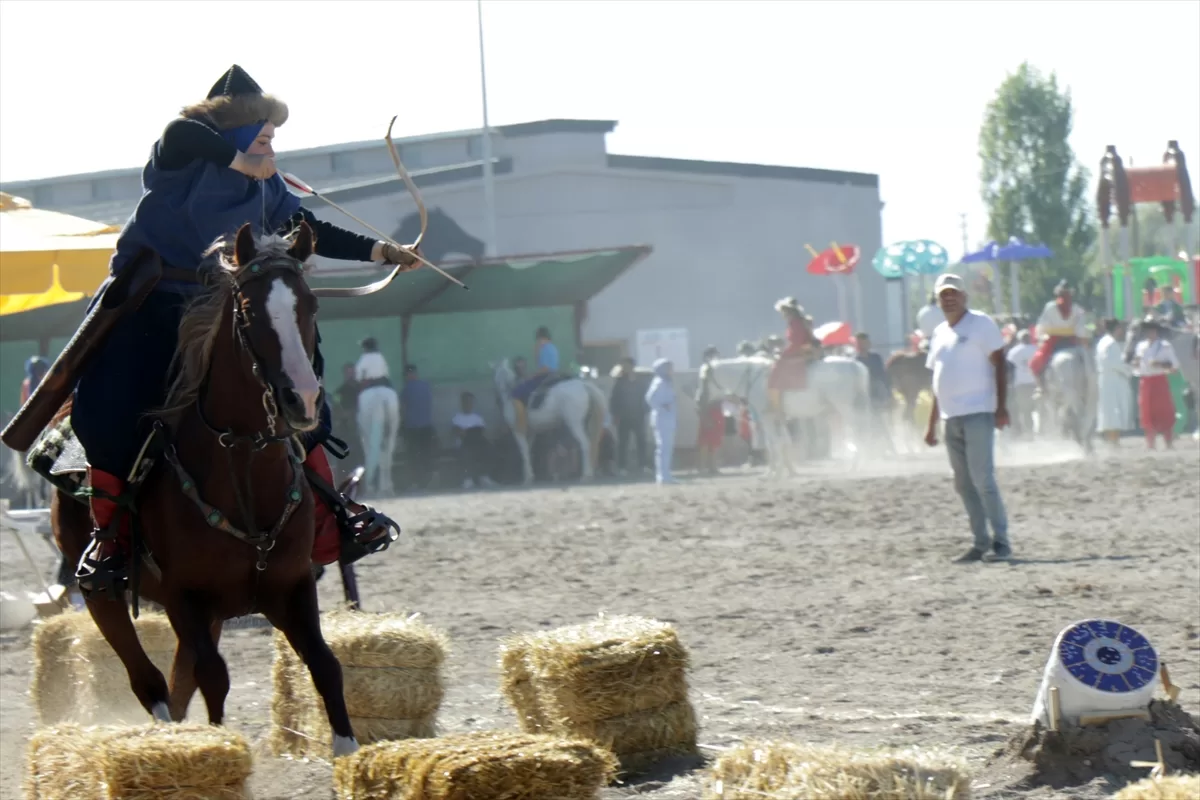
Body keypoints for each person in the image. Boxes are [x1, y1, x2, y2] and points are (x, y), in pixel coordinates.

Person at [71, 65, 421, 595]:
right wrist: (238, 159)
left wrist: (381, 251)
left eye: (272, 131)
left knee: (298, 373)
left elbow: (309, 230)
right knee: (112, 405)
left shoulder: (268, 183)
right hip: (155, 303)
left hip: (224, 301)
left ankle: (332, 514)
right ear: (232, 131)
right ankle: (111, 536)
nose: (271, 138)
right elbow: (179, 132)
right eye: (261, 127)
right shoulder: (181, 159)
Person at [924, 274, 1012, 563]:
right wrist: (931, 422)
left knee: (983, 479)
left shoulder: (981, 324)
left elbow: (999, 364)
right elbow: (938, 379)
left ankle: (1001, 541)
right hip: (951, 417)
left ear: (964, 296)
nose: (948, 299)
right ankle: (979, 541)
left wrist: (1001, 406)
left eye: (953, 293)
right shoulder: (938, 333)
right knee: (963, 483)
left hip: (978, 410)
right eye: (943, 295)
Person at [1030, 280, 1089, 394]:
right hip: (1073, 341)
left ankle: (1041, 387)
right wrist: (1084, 341)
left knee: (1036, 362)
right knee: (1088, 360)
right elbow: (1081, 329)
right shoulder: (1077, 309)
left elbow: (1043, 325)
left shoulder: (1050, 307)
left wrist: (1040, 337)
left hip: (1054, 341)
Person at [1132, 317, 1180, 449]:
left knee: (1164, 410)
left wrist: (1159, 364)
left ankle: (1168, 442)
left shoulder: (1165, 346)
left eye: (1152, 330)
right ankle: (1150, 442)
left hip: (1159, 380)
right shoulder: (1140, 346)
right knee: (1146, 411)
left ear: (1157, 332)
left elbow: (1174, 365)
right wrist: (1135, 364)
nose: (1150, 333)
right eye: (1148, 330)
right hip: (1145, 380)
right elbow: (1136, 365)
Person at [767, 297, 818, 413]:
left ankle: (776, 408)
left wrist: (782, 354)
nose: (783, 315)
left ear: (788, 312)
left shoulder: (795, 323)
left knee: (774, 374)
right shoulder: (800, 321)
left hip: (799, 354)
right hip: (803, 352)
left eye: (783, 312)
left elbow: (796, 343)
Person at [1095, 319, 1134, 446]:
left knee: (1109, 411)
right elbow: (1115, 363)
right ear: (1116, 329)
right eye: (1120, 328)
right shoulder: (1111, 343)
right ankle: (1113, 441)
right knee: (1113, 411)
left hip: (1107, 379)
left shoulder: (1103, 342)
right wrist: (1129, 370)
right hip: (1112, 380)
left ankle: (1112, 440)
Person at [609, 357, 648, 475]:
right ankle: (622, 467)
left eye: (626, 365)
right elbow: (613, 399)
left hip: (638, 416)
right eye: (623, 365)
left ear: (632, 366)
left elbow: (646, 397)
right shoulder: (619, 382)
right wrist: (615, 414)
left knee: (641, 441)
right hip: (623, 417)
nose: (624, 368)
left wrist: (645, 411)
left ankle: (643, 465)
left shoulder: (641, 381)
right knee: (623, 443)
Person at [399, 364, 436, 488]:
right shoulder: (426, 386)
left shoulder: (406, 389)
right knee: (426, 454)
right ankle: (427, 481)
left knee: (413, 456)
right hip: (427, 426)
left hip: (412, 428)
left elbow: (402, 409)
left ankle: (416, 482)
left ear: (407, 375)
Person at [645, 358, 678, 485]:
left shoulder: (666, 382)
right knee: (663, 448)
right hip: (662, 418)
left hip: (667, 419)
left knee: (667, 448)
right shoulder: (659, 382)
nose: (671, 370)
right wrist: (662, 406)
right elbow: (650, 398)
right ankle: (663, 476)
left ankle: (666, 474)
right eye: (669, 368)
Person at [451, 392, 494, 489]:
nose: (468, 404)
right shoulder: (457, 418)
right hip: (463, 445)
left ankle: (484, 477)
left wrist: (468, 432)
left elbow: (482, 432)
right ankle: (467, 479)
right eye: (466, 402)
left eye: (470, 402)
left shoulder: (478, 418)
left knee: (489, 449)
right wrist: (468, 433)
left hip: (478, 444)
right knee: (467, 451)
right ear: (462, 403)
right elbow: (458, 432)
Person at [694, 345, 725, 475]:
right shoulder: (706, 369)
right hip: (708, 406)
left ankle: (713, 466)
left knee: (715, 439)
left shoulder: (717, 370)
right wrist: (703, 411)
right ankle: (702, 467)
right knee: (705, 439)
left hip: (717, 405)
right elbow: (704, 390)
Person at [512, 327, 559, 408]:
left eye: (538, 339)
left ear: (541, 338)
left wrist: (532, 375)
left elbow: (545, 368)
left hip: (545, 376)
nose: (537, 342)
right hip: (553, 374)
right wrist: (537, 352)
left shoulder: (545, 348)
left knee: (517, 391)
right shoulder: (553, 347)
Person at [1005, 330, 1038, 438]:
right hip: (1035, 384)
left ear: (1019, 340)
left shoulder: (1014, 351)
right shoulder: (1036, 349)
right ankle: (1041, 431)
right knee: (1041, 409)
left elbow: (1009, 368)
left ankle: (1028, 432)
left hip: (1020, 385)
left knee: (1025, 410)